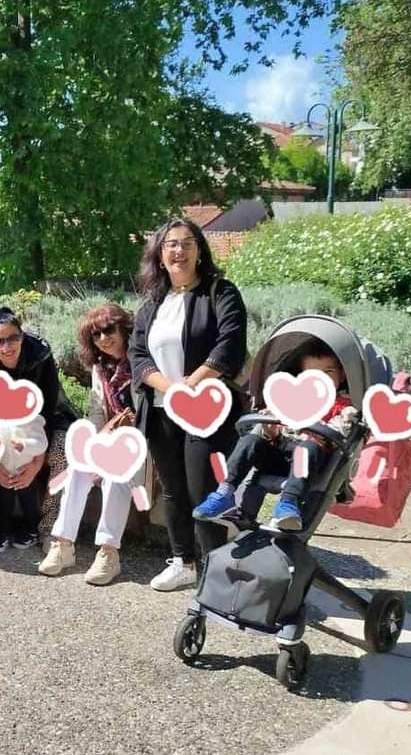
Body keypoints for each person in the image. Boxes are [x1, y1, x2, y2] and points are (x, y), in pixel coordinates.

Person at [129, 217, 248, 592]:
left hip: (205, 412)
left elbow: (230, 343)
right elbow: (137, 354)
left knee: (203, 490)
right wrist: (170, 389)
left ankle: (216, 568)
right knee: (173, 491)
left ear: (199, 251)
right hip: (161, 411)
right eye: (171, 245)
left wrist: (191, 385)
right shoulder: (152, 304)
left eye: (186, 243)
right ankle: (183, 562)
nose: (178, 251)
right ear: (159, 255)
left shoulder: (220, 292)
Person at [194, 338, 357, 533]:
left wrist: (308, 426)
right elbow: (269, 428)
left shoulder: (343, 407)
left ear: (342, 375)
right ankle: (224, 492)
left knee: (307, 448)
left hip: (311, 463)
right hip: (278, 455)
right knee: (251, 440)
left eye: (328, 372)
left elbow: (338, 434)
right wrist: (270, 427)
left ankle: (288, 504)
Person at [0, 308, 76, 551]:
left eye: (13, 338)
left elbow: (48, 410)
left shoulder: (41, 356)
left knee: (64, 450)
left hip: (43, 424)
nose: (7, 347)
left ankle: (51, 528)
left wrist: (36, 460)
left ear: (22, 335)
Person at [40, 304, 137, 585]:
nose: (104, 339)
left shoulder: (141, 361)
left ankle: (109, 551)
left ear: (123, 329)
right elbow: (97, 412)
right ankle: (63, 544)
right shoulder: (101, 368)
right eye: (96, 335)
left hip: (142, 443)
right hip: (111, 438)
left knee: (116, 474)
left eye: (109, 330)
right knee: (78, 468)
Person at [0, 414, 48, 552]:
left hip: (26, 472)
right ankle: (3, 531)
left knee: (29, 502)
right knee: (4, 503)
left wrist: (25, 445)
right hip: (4, 471)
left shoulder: (34, 420)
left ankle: (32, 530)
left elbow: (41, 443)